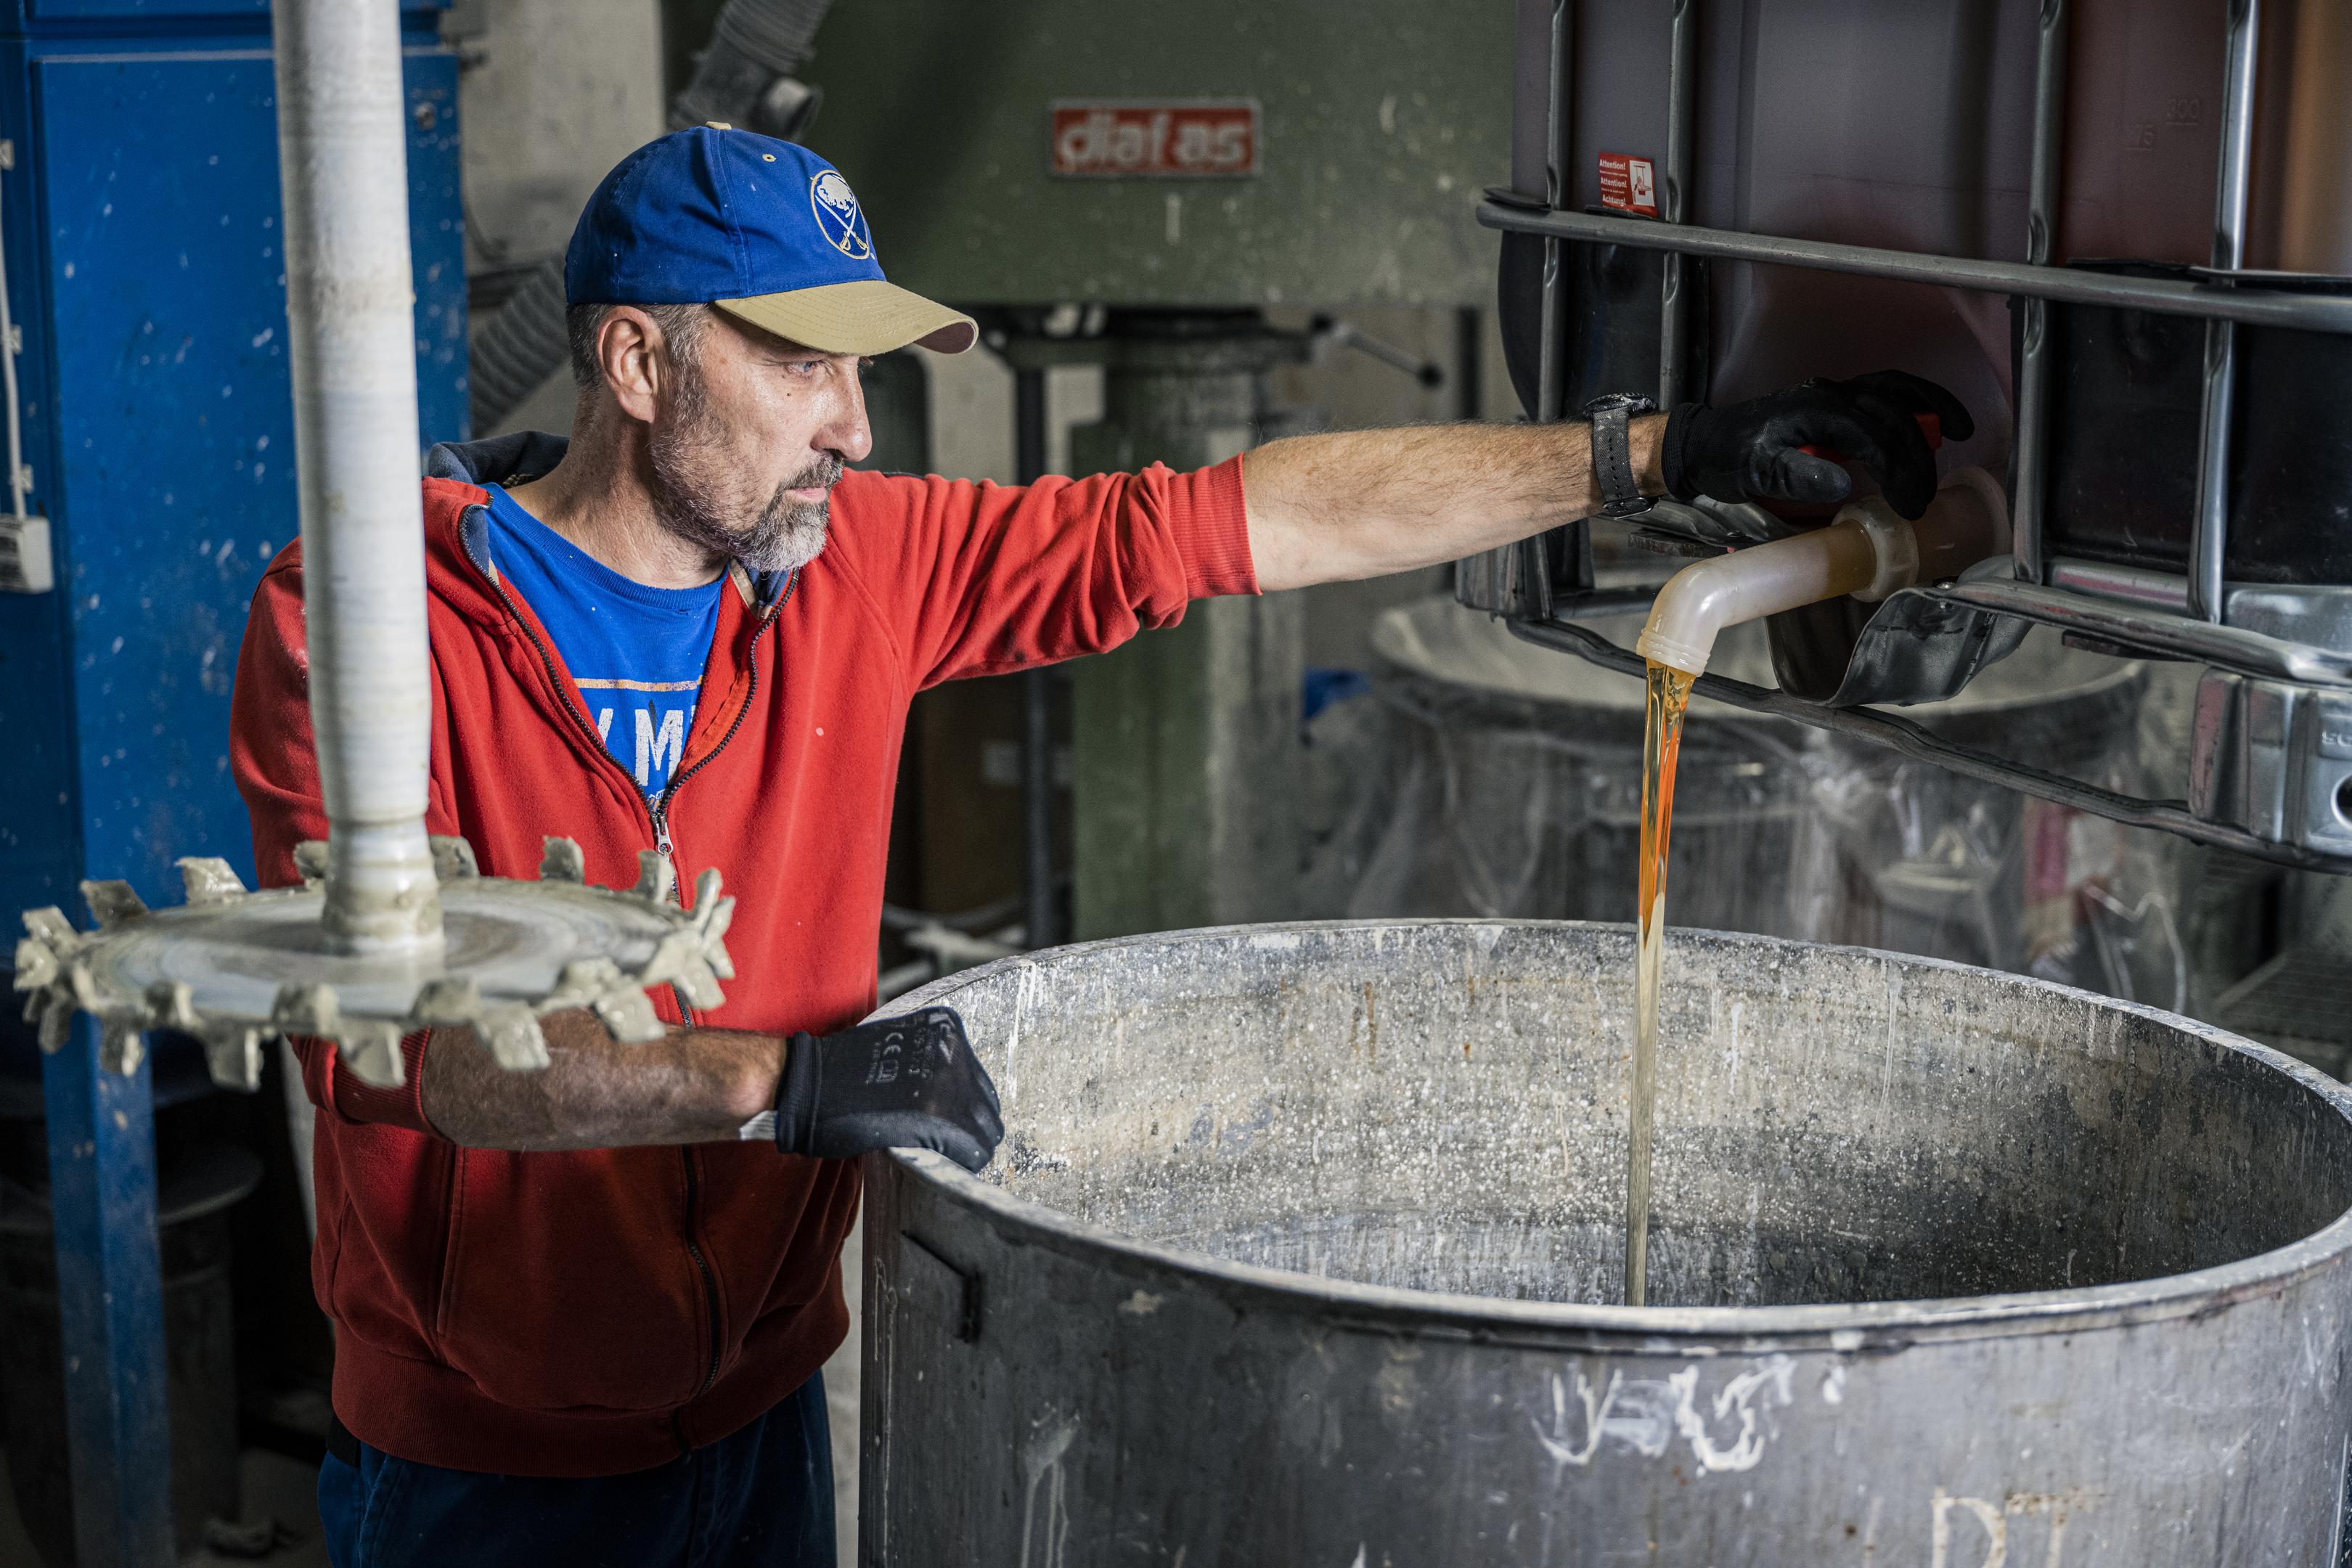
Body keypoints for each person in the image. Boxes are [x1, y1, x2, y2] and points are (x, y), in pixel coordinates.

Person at [229, 123, 1968, 1567]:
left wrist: (1660, 454)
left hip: (759, 1423)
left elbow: (1251, 518)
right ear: (634, 356)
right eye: (798, 363)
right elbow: (445, 1059)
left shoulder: (861, 570)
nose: (853, 423)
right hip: (480, 1470)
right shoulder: (369, 631)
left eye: (861, 371)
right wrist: (787, 1079)